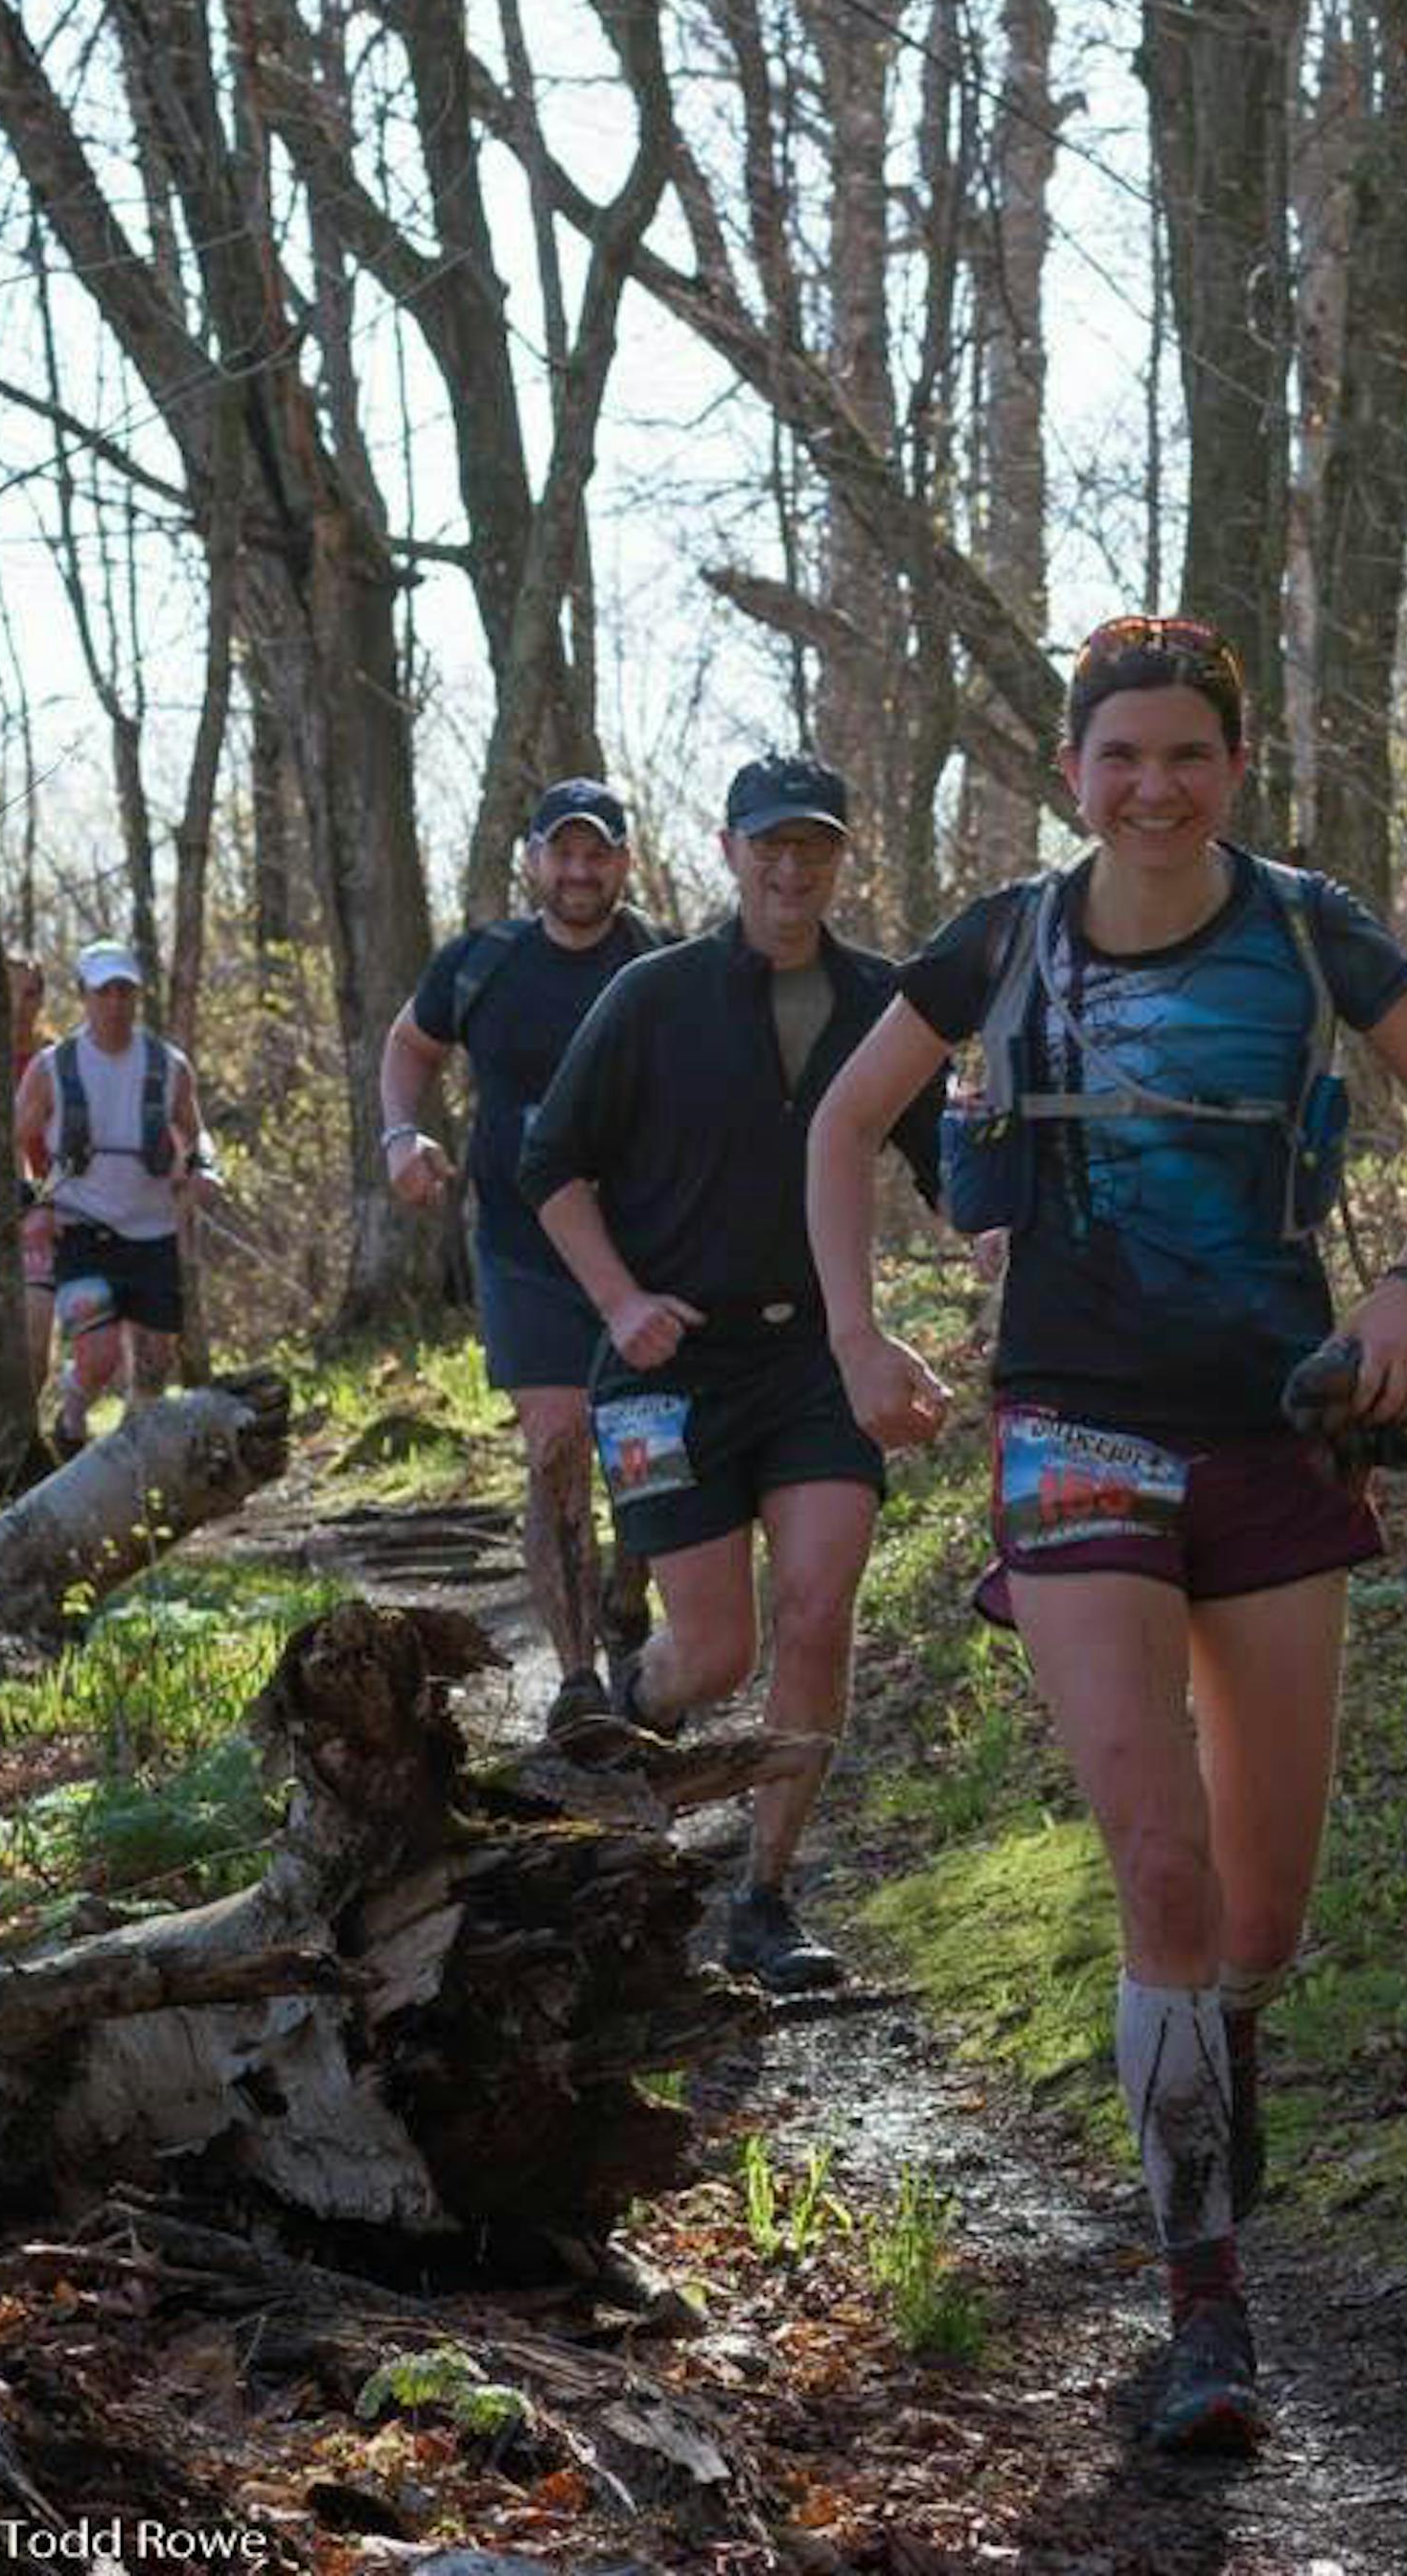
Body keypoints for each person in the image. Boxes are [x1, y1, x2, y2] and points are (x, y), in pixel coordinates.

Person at [807, 614, 1407, 2453]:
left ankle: (1221, 2051)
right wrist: (861, 1334)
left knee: (1263, 1912)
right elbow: (841, 1126)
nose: (1153, 787)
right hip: (1072, 1431)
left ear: (1235, 766)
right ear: (1073, 774)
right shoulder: (1006, 938)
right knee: (1164, 1868)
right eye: (1119, 756)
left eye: (1186, 754)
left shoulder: (1306, 928)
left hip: (1282, 1434)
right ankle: (1206, 2302)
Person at [519, 754, 944, 1992]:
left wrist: (999, 1228)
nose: (792, 866)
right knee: (711, 1654)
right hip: (668, 1367)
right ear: (727, 852)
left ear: (842, 858)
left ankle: (765, 1895)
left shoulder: (885, 1001)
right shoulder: (654, 996)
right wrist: (619, 1299)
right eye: (770, 844)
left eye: (815, 844)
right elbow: (550, 1168)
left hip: (814, 1354)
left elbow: (944, 1157)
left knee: (817, 1609)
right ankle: (617, 1731)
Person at [381, 777, 664, 1741]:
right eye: (563, 851)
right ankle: (580, 1677)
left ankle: (633, 1593)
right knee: (554, 1445)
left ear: (624, 860)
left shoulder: (663, 963)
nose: (580, 870)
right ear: (534, 860)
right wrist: (400, 1137)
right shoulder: (482, 964)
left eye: (599, 852)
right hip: (521, 1248)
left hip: (645, 1252)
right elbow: (410, 1046)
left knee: (648, 1452)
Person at [13, 938, 212, 1453]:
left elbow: (196, 1131)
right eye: (105, 992)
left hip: (153, 1229)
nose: (116, 1003)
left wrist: (204, 1167)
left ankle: (136, 1472)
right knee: (98, 1355)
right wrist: (31, 1203)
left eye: (125, 991)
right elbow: (11, 1138)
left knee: (152, 1368)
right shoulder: (52, 1068)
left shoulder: (169, 1066)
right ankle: (72, 1420)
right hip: (81, 1225)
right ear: (83, 995)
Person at [8, 955, 57, 1392]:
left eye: (30, 993)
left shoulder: (57, 1061)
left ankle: (29, 1443)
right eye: (9, 992)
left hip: (40, 1214)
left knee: (35, 1341)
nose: (20, 1005)